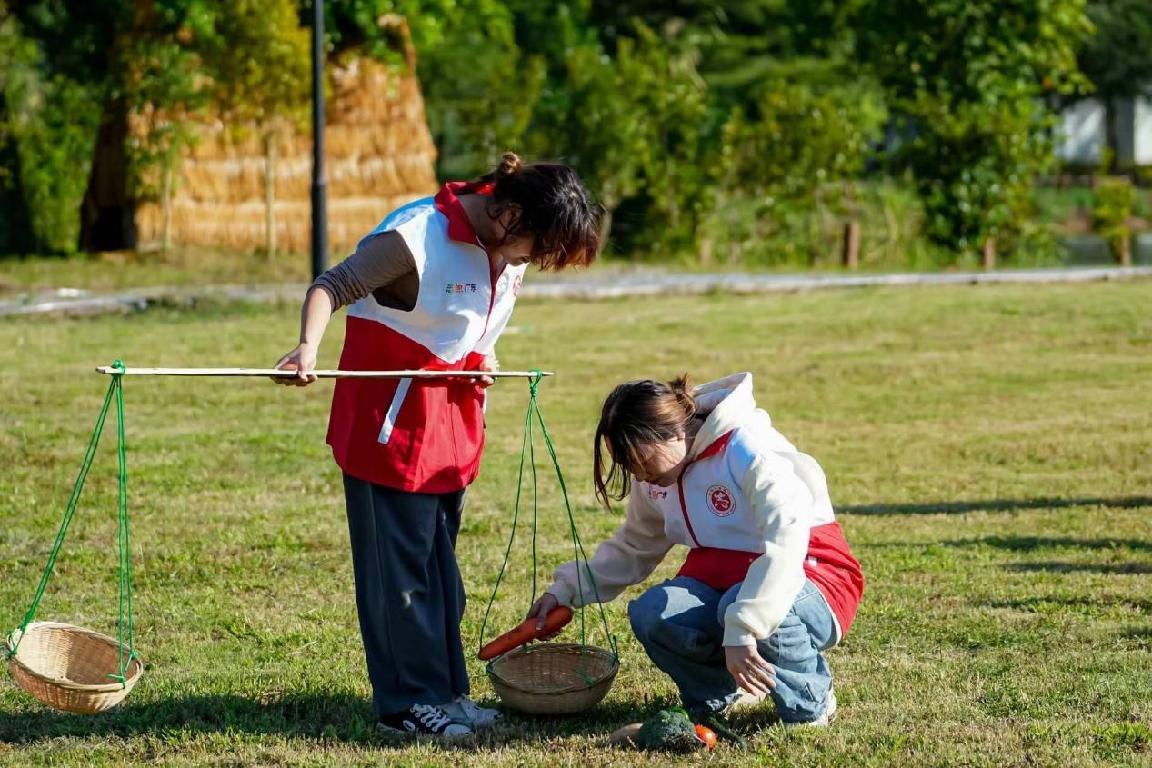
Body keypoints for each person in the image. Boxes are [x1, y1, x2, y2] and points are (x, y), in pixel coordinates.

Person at [274, 152, 602, 739]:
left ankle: (448, 694)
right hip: (390, 430)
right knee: (400, 579)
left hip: (451, 430)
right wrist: (306, 348)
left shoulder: (506, 249)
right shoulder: (416, 236)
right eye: (536, 247)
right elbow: (331, 286)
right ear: (507, 213)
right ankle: (407, 706)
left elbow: (474, 327)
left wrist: (485, 362)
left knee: (440, 573)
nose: (532, 262)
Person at [528, 372, 864, 727]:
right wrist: (564, 591)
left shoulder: (748, 450)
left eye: (640, 459)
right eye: (627, 463)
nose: (637, 474)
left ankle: (810, 703)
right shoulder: (656, 476)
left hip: (811, 575)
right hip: (724, 585)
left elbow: (786, 543)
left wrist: (744, 625)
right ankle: (721, 696)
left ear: (676, 432)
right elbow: (633, 546)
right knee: (653, 613)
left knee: (737, 603)